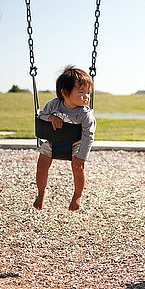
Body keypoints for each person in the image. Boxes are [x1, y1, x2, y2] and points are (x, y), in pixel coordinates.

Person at [34, 66, 96, 211]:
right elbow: (40, 115)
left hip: (75, 143)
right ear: (65, 92)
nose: (86, 96)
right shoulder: (54, 104)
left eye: (88, 93)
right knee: (41, 165)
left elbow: (88, 136)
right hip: (53, 140)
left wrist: (82, 156)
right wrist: (51, 117)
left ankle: (77, 195)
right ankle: (41, 192)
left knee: (78, 167)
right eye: (81, 92)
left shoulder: (85, 115)